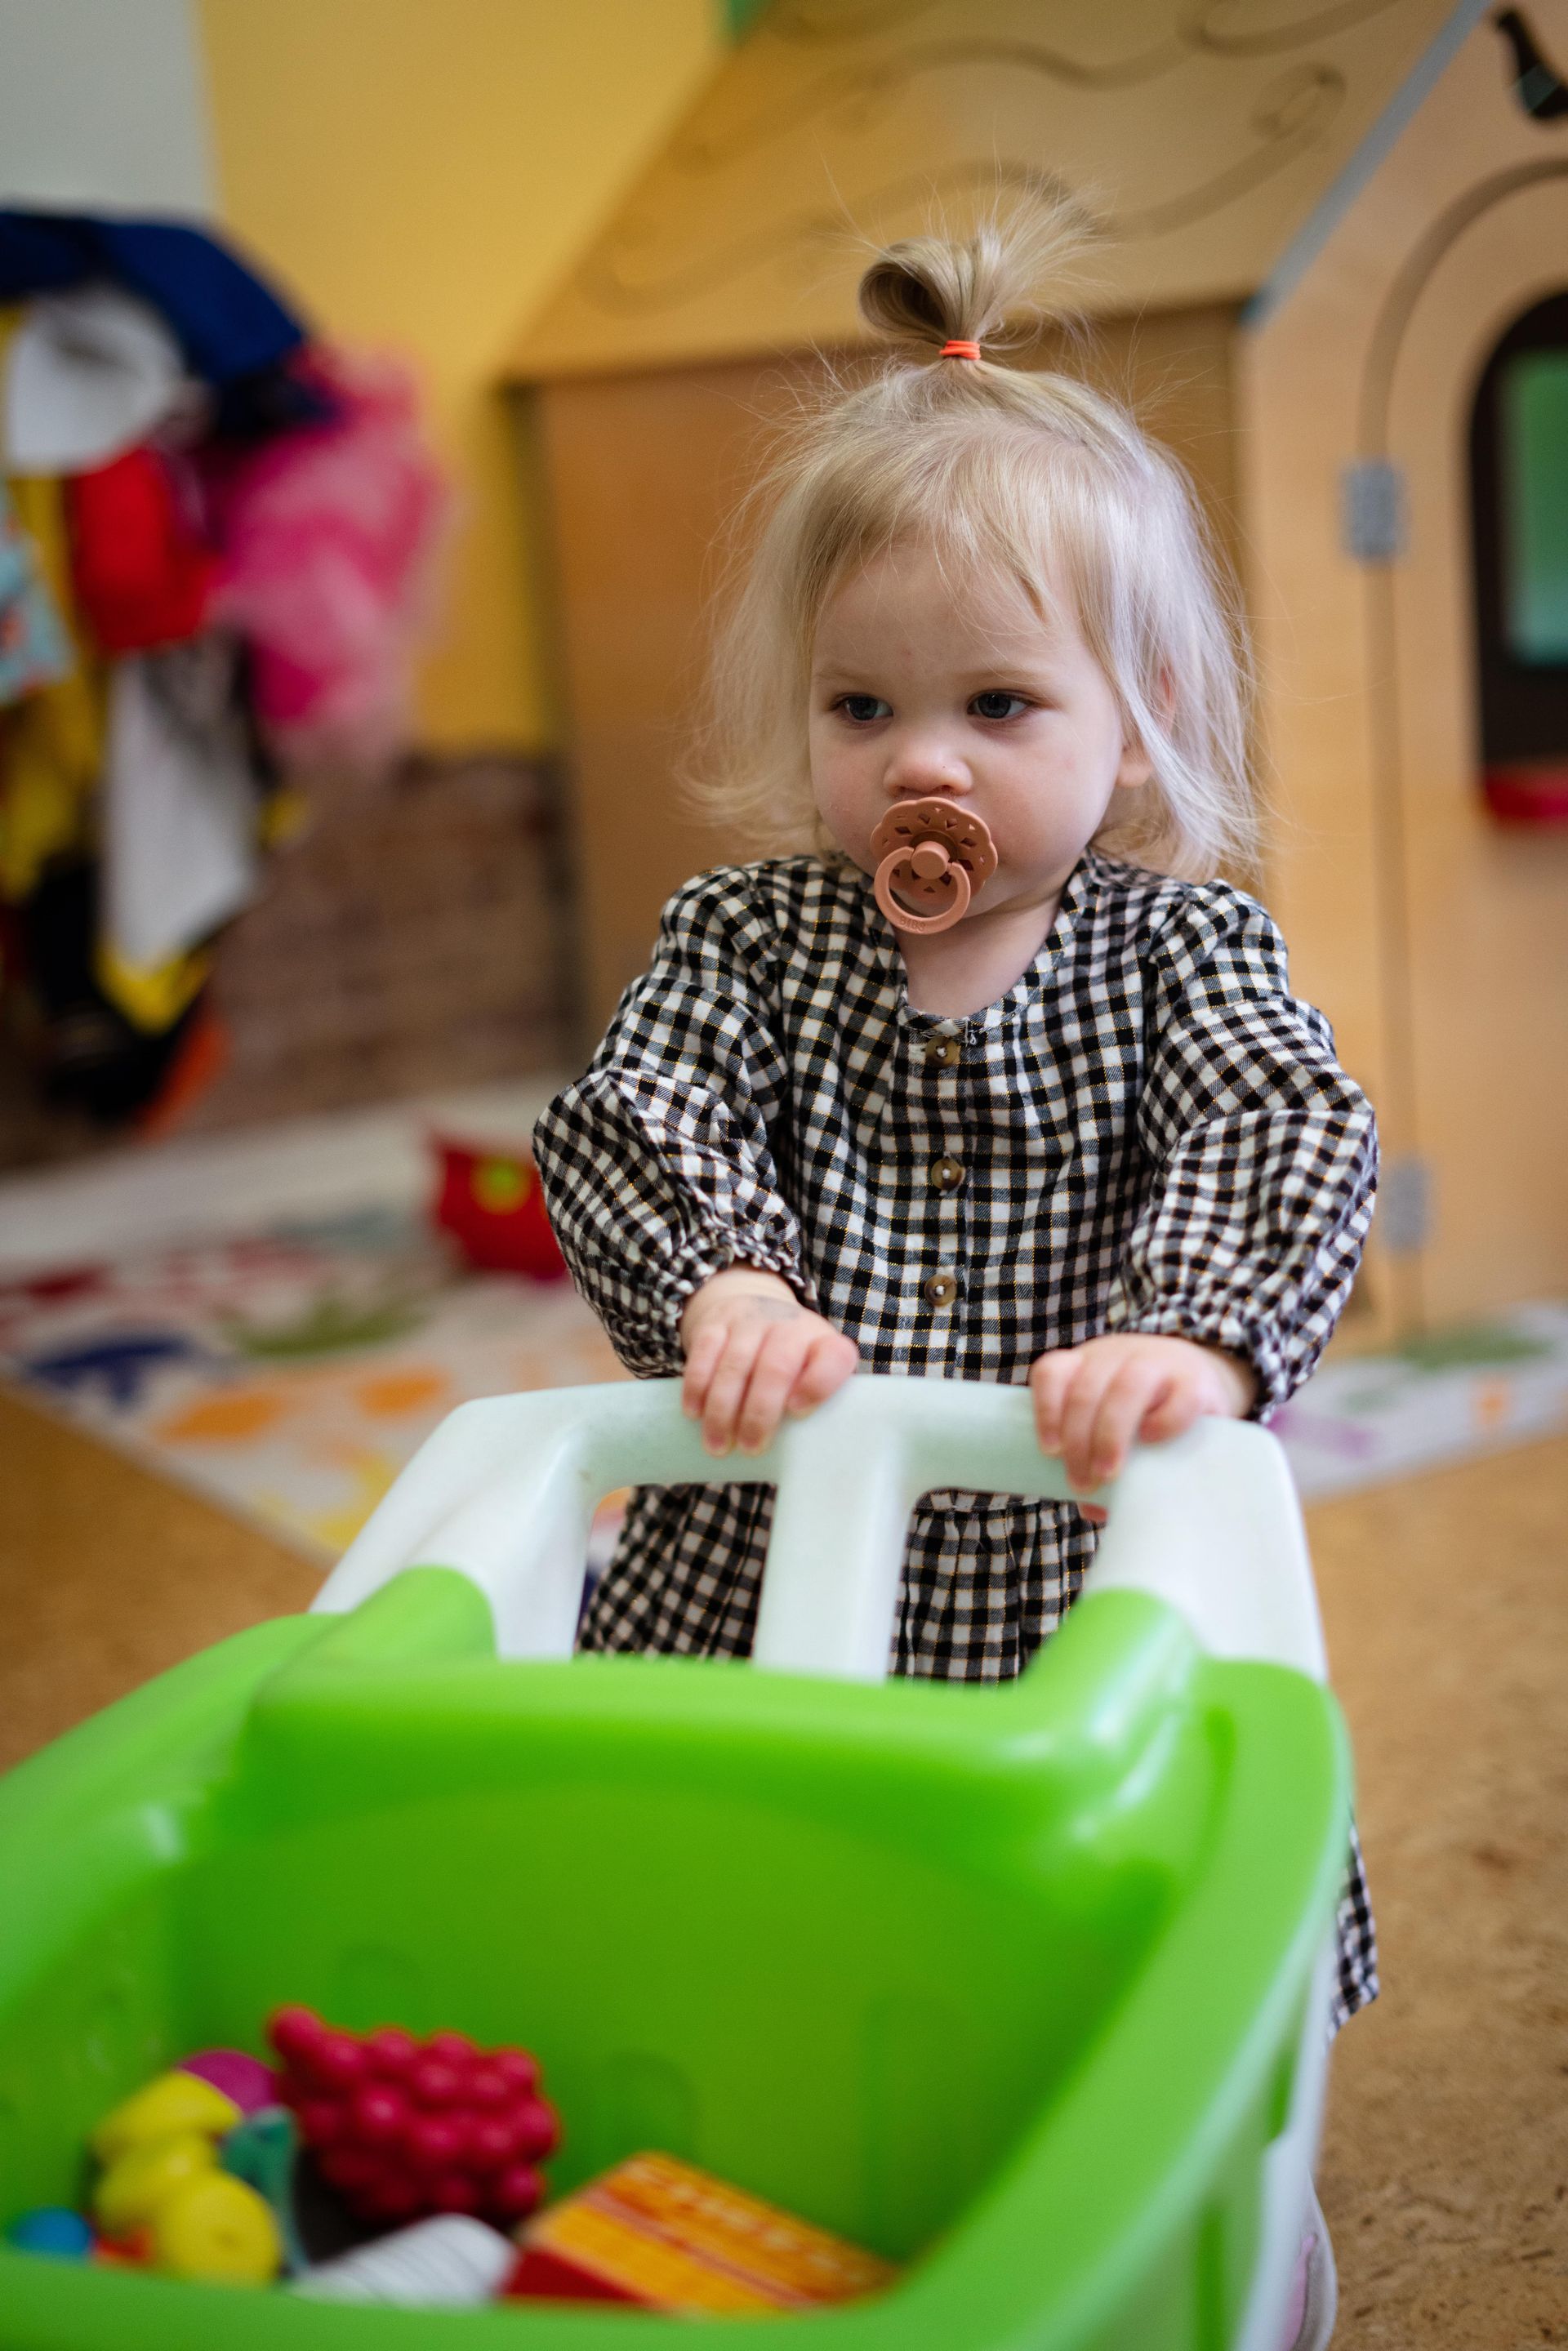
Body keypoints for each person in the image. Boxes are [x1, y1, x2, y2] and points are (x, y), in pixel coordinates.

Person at [533, 215, 1375, 2347]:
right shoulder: (748, 942)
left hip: (1073, 1544)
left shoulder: (1184, 954)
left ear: (1142, 717)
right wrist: (724, 1281)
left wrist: (1185, 1329)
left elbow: (1285, 1132)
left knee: (1086, 1889)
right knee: (737, 1877)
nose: (928, 761)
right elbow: (643, 1116)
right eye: (864, 704)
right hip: (778, 1532)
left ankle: (1159, 2134)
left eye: (1000, 703)